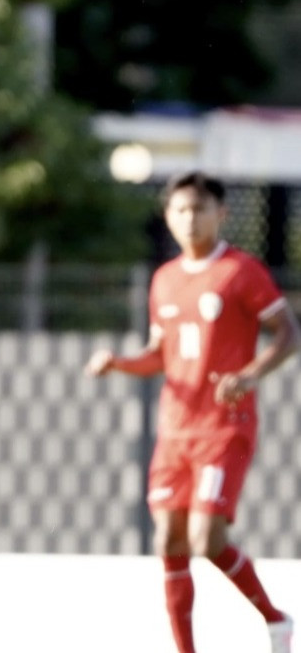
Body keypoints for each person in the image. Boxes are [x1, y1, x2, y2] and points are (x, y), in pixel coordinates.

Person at [86, 171, 297, 653]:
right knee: (168, 541)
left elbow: (289, 334)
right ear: (168, 216)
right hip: (175, 431)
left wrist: (250, 374)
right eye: (180, 210)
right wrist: (118, 363)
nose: (190, 218)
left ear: (221, 213)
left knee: (206, 537)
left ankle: (275, 618)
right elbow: (159, 355)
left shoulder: (241, 272)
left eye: (200, 209)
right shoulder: (164, 280)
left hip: (225, 427)